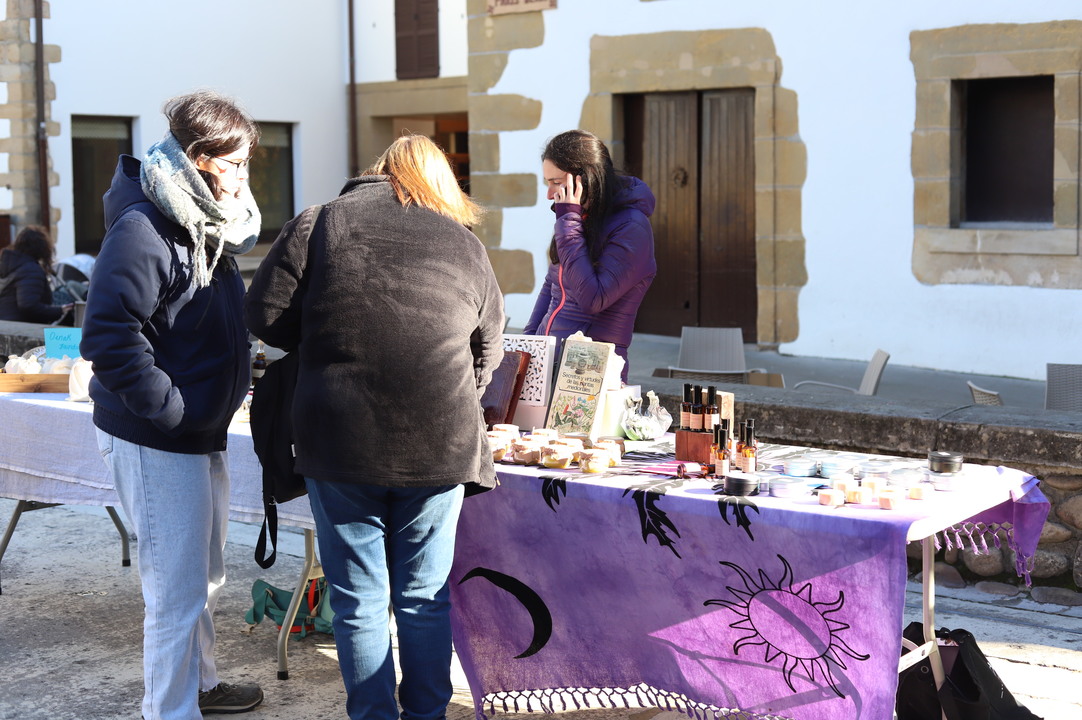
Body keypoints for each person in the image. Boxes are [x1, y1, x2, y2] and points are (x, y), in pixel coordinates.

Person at [244, 134, 504, 720]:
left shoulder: (319, 222)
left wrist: (324, 332)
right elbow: (488, 346)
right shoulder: (463, 243)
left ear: (377, 172)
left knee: (359, 601)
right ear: (441, 185)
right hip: (440, 440)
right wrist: (453, 393)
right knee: (423, 598)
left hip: (340, 438)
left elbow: (263, 314)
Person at [79, 90, 264, 720]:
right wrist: (172, 409)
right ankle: (168, 710)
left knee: (201, 578)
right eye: (236, 164)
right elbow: (108, 336)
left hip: (198, 429)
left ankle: (201, 686)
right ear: (200, 159)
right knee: (175, 590)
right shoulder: (144, 227)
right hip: (159, 434)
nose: (244, 177)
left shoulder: (202, 222)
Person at [523, 129, 657, 383]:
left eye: (556, 182)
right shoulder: (577, 219)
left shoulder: (631, 227)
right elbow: (552, 285)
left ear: (586, 178)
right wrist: (529, 345)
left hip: (588, 374)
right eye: (548, 183)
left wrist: (567, 222)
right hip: (548, 363)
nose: (549, 194)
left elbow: (593, 299)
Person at [0, 225, 73, 324]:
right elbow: (28, 305)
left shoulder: (12, 266)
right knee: (76, 333)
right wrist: (60, 311)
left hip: (6, 327)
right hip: (23, 330)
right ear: (42, 248)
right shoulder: (30, 270)